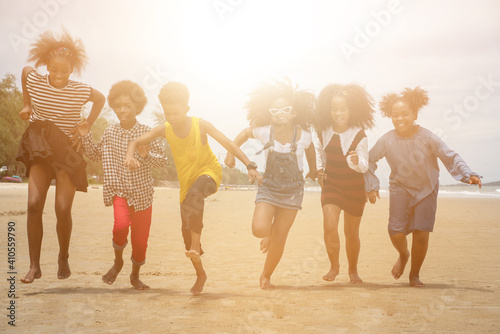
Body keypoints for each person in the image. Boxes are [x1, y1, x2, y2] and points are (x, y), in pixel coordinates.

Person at [125, 81, 262, 295]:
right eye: (167, 112)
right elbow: (135, 142)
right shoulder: (165, 129)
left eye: (176, 112)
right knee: (186, 236)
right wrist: (129, 156)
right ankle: (200, 273)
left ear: (186, 109)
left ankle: (196, 246)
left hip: (210, 174)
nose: (171, 117)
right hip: (186, 186)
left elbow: (227, 143)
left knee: (195, 196)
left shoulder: (200, 125)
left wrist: (249, 164)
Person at [365, 87, 481, 287]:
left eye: (404, 114)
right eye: (394, 115)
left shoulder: (428, 137)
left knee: (421, 234)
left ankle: (414, 275)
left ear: (414, 115)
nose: (399, 118)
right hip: (399, 188)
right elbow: (369, 160)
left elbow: (449, 155)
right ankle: (403, 254)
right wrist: (372, 185)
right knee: (395, 231)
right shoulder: (387, 139)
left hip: (426, 190)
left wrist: (467, 174)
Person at [16, 30, 105, 283]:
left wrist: (86, 123)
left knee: (62, 208)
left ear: (72, 70)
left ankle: (63, 256)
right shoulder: (36, 81)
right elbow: (24, 71)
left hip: (66, 150)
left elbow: (100, 99)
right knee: (34, 204)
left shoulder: (79, 90)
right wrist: (27, 104)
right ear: (47, 66)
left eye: (64, 71)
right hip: (39, 145)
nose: (58, 75)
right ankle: (34, 266)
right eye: (54, 69)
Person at [225, 79, 317, 289]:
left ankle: (266, 276)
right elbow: (245, 133)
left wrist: (313, 169)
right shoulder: (265, 131)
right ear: (269, 113)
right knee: (259, 229)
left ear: (294, 113)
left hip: (293, 191)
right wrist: (231, 153)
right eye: (275, 110)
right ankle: (268, 232)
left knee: (280, 236)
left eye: (285, 109)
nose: (280, 113)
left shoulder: (305, 135)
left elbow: (310, 149)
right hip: (269, 187)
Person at [77, 80, 167, 289]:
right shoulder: (110, 132)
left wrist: (146, 154)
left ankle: (135, 275)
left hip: (143, 195)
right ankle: (118, 262)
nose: (122, 110)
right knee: (120, 226)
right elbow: (94, 155)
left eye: (127, 106)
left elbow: (162, 162)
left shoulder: (148, 131)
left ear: (138, 107)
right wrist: (85, 135)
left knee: (140, 242)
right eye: (118, 106)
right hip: (120, 192)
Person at [314, 84, 375, 283]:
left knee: (351, 233)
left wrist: (357, 162)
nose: (338, 113)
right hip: (331, 185)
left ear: (351, 110)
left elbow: (365, 165)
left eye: (343, 109)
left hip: (354, 188)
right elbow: (318, 154)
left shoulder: (359, 134)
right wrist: (319, 170)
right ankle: (334, 266)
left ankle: (353, 271)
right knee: (330, 225)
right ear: (328, 110)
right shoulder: (323, 130)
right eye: (334, 109)